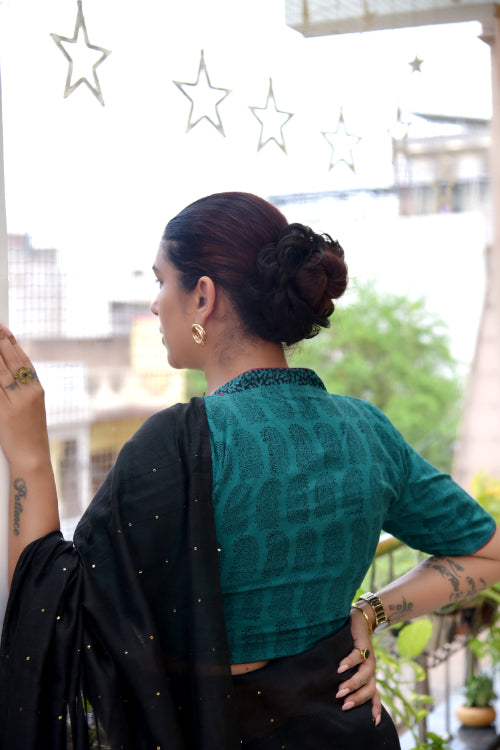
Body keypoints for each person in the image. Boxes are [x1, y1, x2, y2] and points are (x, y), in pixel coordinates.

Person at [0, 191, 498, 750]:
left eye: (161, 281)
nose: (156, 304)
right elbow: (489, 553)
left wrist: (30, 456)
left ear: (203, 296)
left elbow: (54, 610)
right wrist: (371, 612)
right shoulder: (366, 431)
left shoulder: (174, 445)